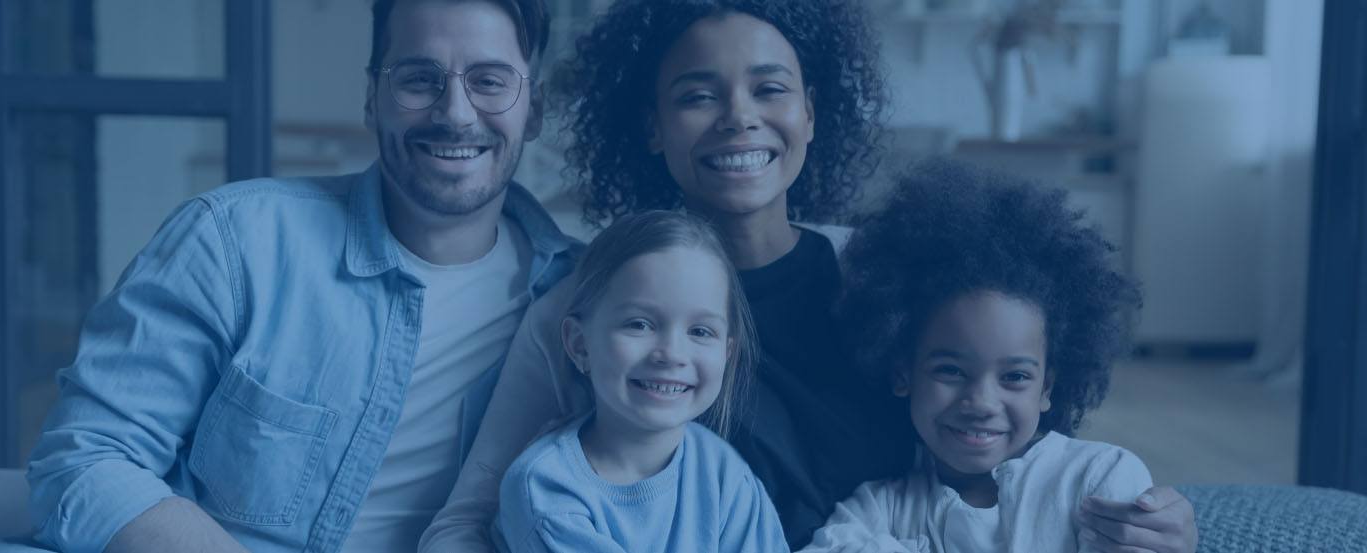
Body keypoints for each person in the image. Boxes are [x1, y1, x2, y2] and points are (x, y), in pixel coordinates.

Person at [423, 2, 1198, 553]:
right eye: (697, 95)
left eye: (770, 88)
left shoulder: (892, 275)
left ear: (812, 112)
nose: (738, 117)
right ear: (651, 126)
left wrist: (1159, 523)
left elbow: (1016, 443)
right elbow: (466, 519)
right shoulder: (587, 305)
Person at [0, 1, 577, 552]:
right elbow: (86, 459)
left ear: (536, 111)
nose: (455, 113)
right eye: (419, 79)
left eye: (490, 81)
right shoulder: (233, 241)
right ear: (372, 98)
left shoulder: (586, 298)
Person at [801, 160, 1150, 552]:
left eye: (1015, 377)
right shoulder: (876, 508)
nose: (981, 403)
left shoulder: (1099, 481)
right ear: (903, 374)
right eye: (950, 370)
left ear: (1047, 386)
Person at [494, 210, 789, 552]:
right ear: (579, 344)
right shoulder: (546, 488)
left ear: (727, 354)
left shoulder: (724, 473)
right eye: (639, 324)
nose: (671, 353)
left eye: (700, 331)